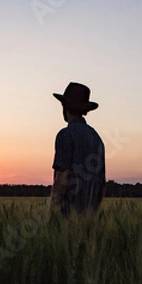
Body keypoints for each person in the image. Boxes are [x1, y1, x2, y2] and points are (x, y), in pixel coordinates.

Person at [50, 82, 106, 217]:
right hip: (90, 220)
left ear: (64, 107)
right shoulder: (97, 138)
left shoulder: (66, 135)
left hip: (67, 217)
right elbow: (101, 185)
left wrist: (52, 213)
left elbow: (62, 179)